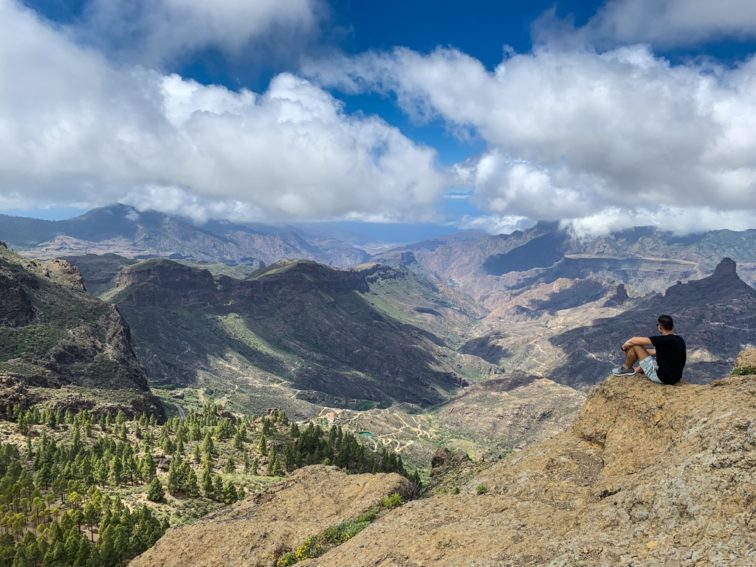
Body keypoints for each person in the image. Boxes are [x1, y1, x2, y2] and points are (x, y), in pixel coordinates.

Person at [612, 314, 686, 384]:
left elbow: (633, 341)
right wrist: (640, 353)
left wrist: (624, 347)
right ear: (672, 327)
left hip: (662, 378)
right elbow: (656, 352)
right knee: (649, 359)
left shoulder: (661, 340)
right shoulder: (680, 340)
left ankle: (626, 368)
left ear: (660, 327)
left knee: (635, 346)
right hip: (675, 378)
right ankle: (635, 371)